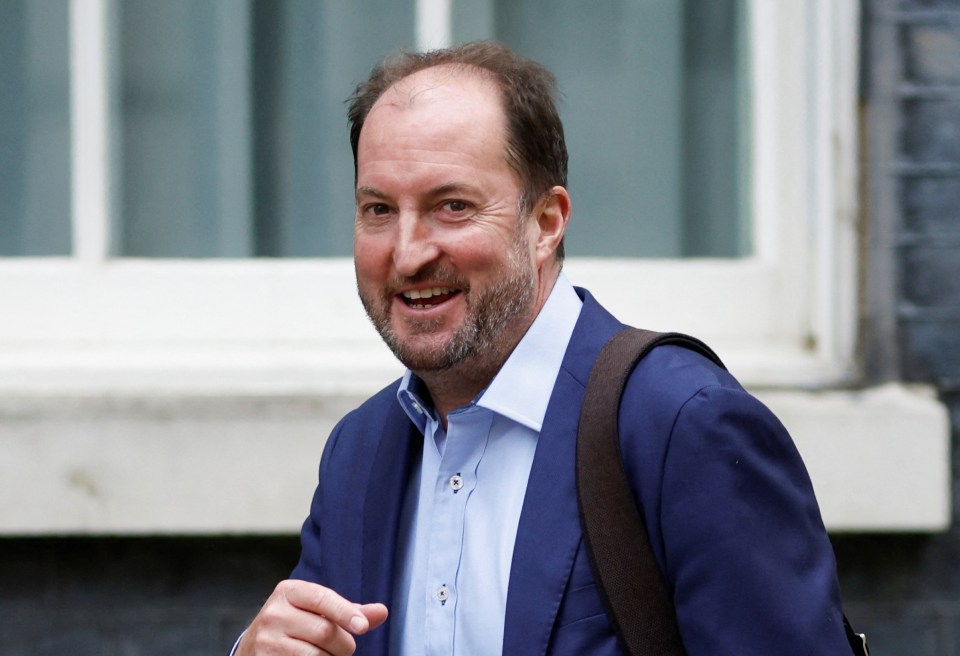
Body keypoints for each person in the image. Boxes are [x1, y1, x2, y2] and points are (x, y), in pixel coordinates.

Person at [233, 41, 853, 655]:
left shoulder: (682, 424)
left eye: (452, 206)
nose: (408, 252)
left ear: (546, 223)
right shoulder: (360, 451)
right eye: (378, 209)